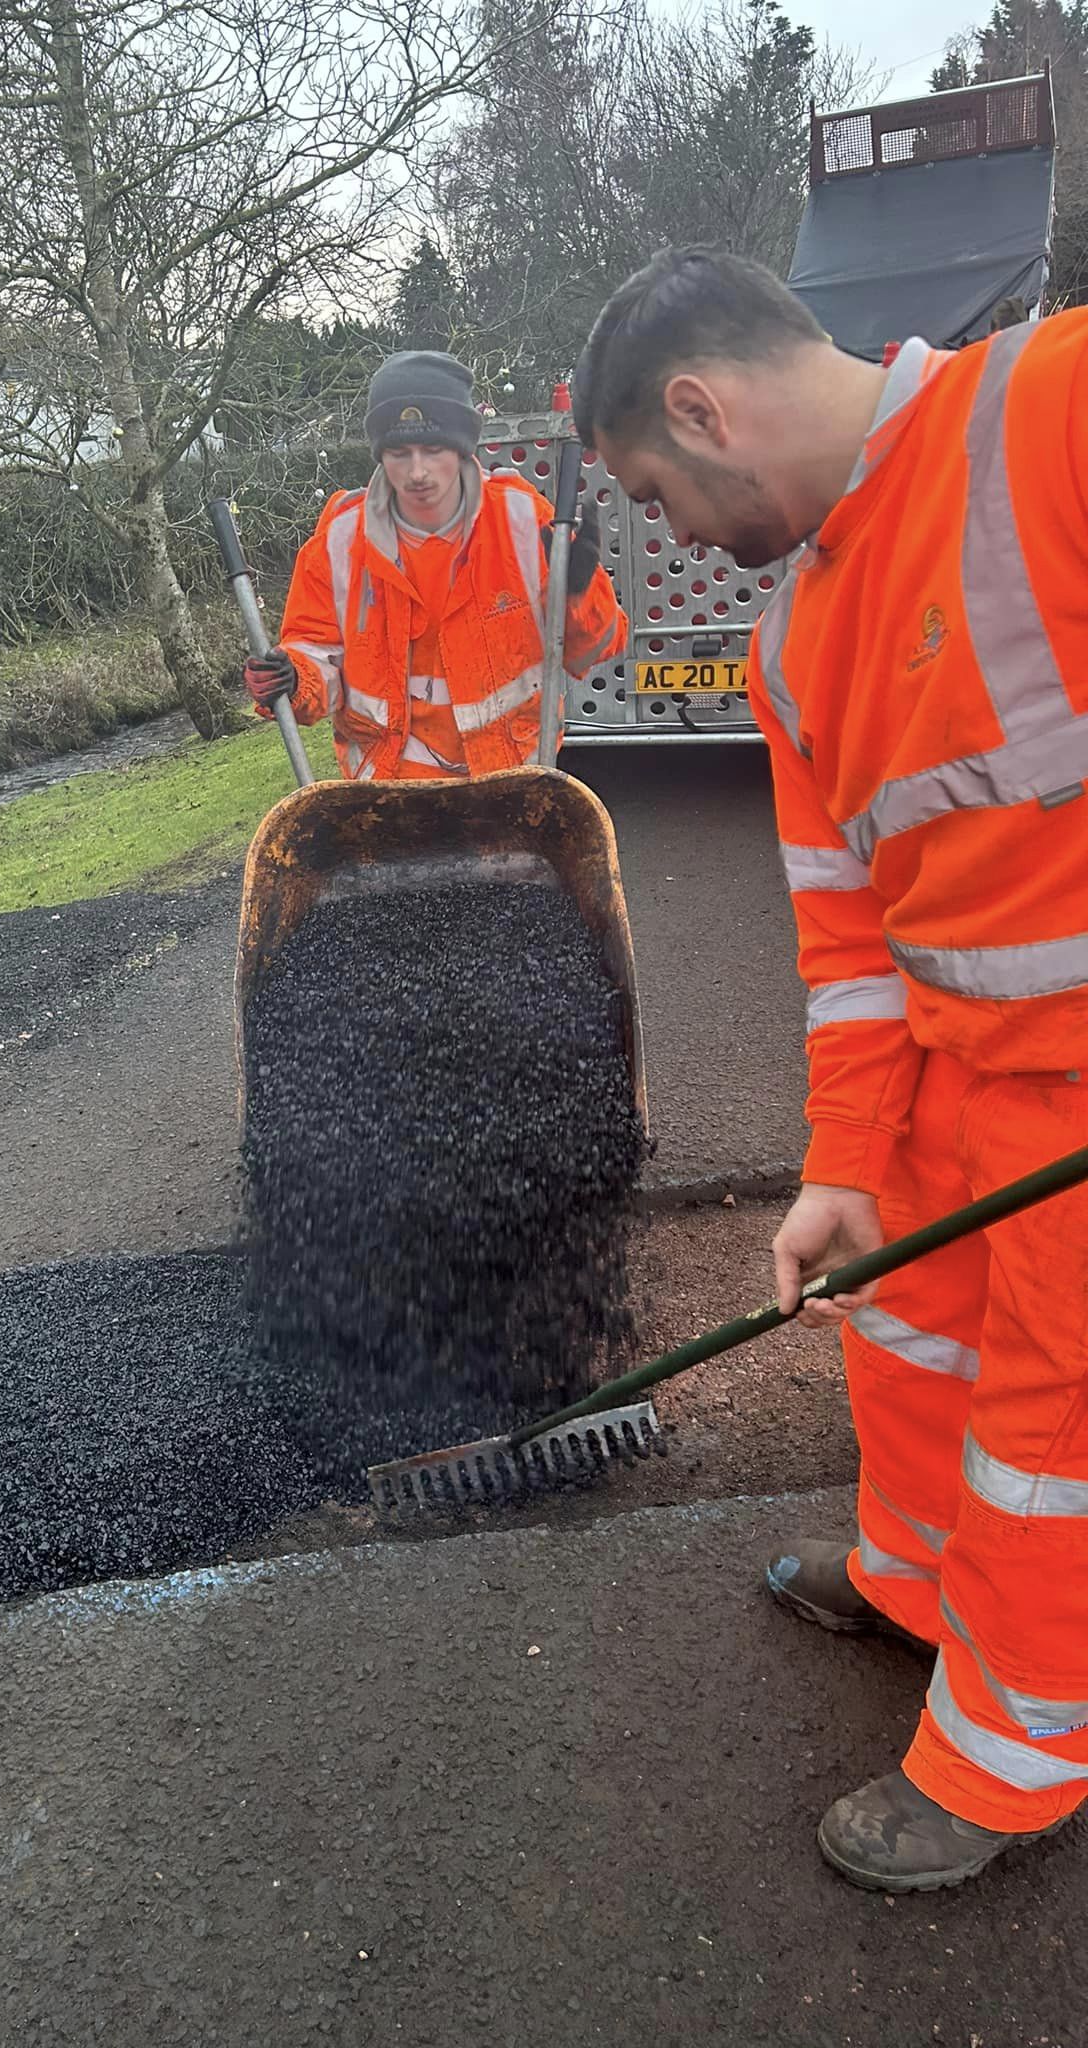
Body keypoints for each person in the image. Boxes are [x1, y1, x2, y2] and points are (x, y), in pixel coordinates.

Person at [574, 246, 1088, 1894]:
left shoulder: (1051, 410)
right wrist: (846, 1166)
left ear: (701, 406)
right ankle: (916, 1580)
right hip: (957, 1084)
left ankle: (1011, 1758)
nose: (671, 539)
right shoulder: (791, 647)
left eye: (655, 494)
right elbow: (851, 946)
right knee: (909, 1337)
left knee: (1051, 1433)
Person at [243, 350, 625, 779]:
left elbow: (594, 649)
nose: (417, 472)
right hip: (389, 802)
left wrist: (578, 594)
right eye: (400, 452)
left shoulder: (522, 522)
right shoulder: (340, 541)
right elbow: (314, 651)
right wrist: (293, 679)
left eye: (433, 448)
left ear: (463, 448)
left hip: (509, 795)